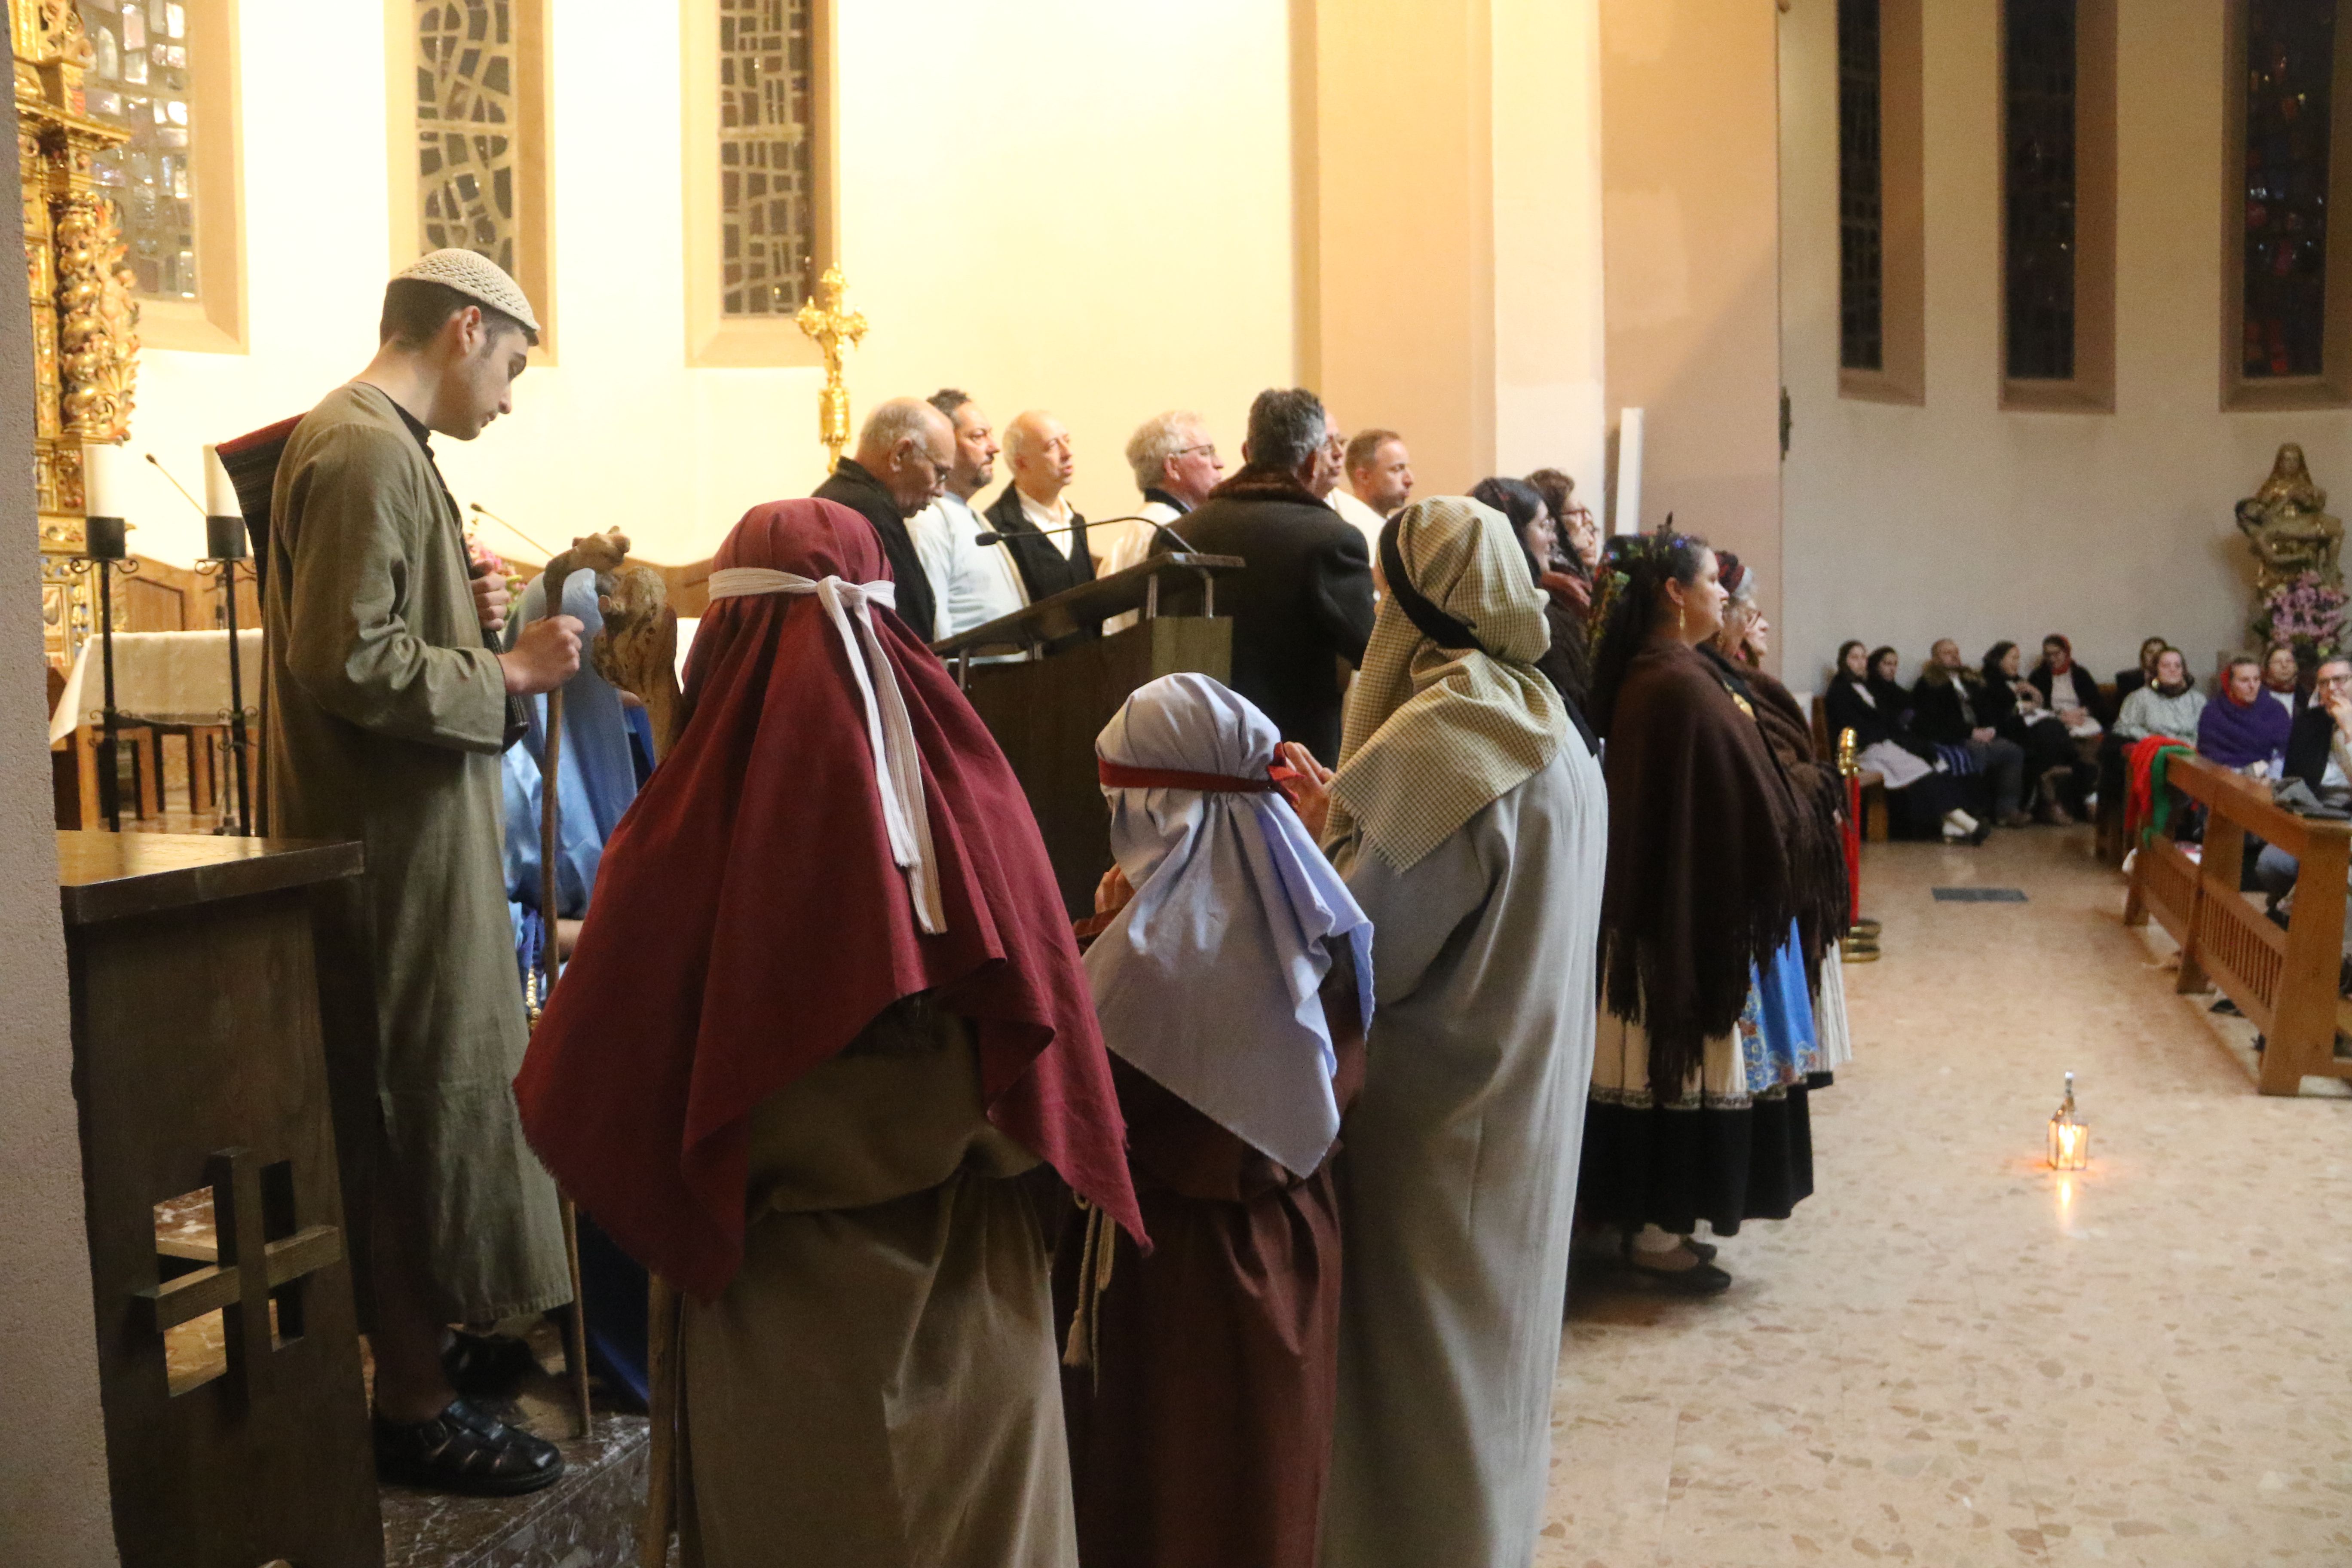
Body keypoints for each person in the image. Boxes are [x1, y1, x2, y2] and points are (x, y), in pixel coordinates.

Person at [514, 498, 1142, 1568]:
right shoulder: (978, 796)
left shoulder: (681, 837)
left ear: (725, 633)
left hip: (787, 1311)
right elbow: (1053, 1060)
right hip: (974, 1291)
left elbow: (586, 1088)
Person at [263, 248, 576, 1492]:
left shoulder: (386, 448)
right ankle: (413, 1400)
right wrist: (505, 673)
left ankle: (434, 1344)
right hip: (384, 848)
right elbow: (343, 659)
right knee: (405, 1104)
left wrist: (474, 615)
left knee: (444, 1085)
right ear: (463, 329)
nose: (506, 398)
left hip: (413, 833)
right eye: (508, 366)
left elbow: (387, 633)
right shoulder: (365, 449)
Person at [1275, 495, 1601, 1568]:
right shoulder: (1549, 724)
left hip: (1433, 1128)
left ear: (1410, 604)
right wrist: (1345, 811)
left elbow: (1362, 949)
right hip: (1521, 1104)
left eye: (1381, 596)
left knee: (1426, 1393)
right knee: (1495, 1369)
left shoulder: (1445, 740)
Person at [1056, 673, 1374, 1568]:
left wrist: (1101, 944)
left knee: (1171, 1507)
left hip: (1178, 1282)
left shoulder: (1146, 969)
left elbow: (1087, 1095)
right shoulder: (1320, 918)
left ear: (1159, 807)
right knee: (1267, 1499)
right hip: (1294, 1252)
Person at [1581, 528, 1820, 1295]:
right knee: (1669, 1075)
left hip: (1669, 911)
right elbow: (1741, 795)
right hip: (1674, 922)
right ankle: (1654, 1235)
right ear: (1674, 594)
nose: (1724, 594)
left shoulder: (1673, 670)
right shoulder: (1676, 683)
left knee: (1667, 1075)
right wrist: (1803, 800)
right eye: (1712, 582)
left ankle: (1658, 1228)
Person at [1150, 388, 1376, 765]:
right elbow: (1372, 650)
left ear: (1246, 453)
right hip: (1289, 765)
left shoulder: (1177, 536)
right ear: (1311, 461)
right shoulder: (1331, 538)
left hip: (1192, 758)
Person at [1707, 561, 1855, 1073]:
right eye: (1754, 615)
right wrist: (1816, 784)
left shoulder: (1750, 684)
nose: (1764, 624)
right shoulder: (1723, 687)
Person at [814, 397, 954, 640]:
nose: (941, 491)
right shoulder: (868, 513)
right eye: (939, 473)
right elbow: (904, 629)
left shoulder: (839, 498)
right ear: (900, 455)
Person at [1822, 640, 1982, 842]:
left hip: (1880, 744)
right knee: (1917, 768)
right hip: (1862, 749)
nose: (1861, 663)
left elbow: (1887, 719)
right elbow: (1852, 728)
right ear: (1843, 662)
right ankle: (1959, 821)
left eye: (1864, 657)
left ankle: (1951, 822)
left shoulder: (1866, 688)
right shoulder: (1840, 691)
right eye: (1854, 658)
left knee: (1929, 761)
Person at [909, 389, 1029, 640]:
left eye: (990, 435)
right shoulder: (929, 518)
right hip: (968, 675)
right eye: (978, 436)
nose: (994, 448)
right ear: (942, 442)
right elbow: (935, 623)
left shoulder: (971, 514)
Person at [1468, 474, 1587, 707]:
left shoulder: (1466, 603)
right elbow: (1574, 704)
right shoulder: (1534, 617)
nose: (1553, 538)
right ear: (1514, 533)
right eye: (1544, 526)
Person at [1910, 638, 2031, 827]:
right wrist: (1971, 732)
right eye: (1947, 653)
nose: (1954, 656)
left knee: (2013, 752)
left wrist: (1990, 727)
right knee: (1978, 751)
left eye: (1956, 652)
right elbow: (1936, 721)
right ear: (1935, 659)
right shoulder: (1928, 685)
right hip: (1956, 737)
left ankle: (2007, 811)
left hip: (1981, 732)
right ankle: (1976, 810)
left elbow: (1987, 707)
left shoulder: (1971, 680)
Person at [984, 410, 1097, 606]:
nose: (1068, 453)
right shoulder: (996, 529)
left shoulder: (1075, 521)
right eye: (1052, 446)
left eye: (1067, 441)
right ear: (1022, 462)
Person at [1097, 410, 1225, 577]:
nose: (1219, 463)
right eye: (1206, 453)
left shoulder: (1125, 544)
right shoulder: (1172, 532)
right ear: (1172, 467)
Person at [1981, 640, 2089, 823]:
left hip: (2028, 725)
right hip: (2007, 727)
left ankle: (2055, 789)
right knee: (2050, 728)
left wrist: (2035, 694)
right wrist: (2024, 706)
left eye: (2018, 659)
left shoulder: (2019, 680)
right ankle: (2058, 785)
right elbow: (1999, 710)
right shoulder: (1989, 680)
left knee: (2052, 727)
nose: (2017, 663)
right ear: (1999, 660)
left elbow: (2037, 705)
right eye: (2013, 659)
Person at [2199, 654, 2292, 772]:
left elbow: (2286, 751)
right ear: (2230, 683)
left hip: (2268, 774)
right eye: (2245, 680)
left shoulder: (2276, 710)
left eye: (2257, 680)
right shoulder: (2213, 712)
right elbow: (2208, 753)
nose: (2252, 686)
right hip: (2224, 775)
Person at [1329, 428, 1412, 550]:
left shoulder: (1394, 531)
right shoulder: (1348, 531)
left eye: (1407, 468)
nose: (1409, 480)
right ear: (1364, 476)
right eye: (1397, 469)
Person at [2113, 646, 2205, 744]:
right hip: (2152, 751)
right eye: (2166, 666)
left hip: (2190, 754)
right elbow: (2122, 728)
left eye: (2178, 666)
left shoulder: (2197, 700)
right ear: (2156, 671)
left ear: (2184, 671)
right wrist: (2153, 739)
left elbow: (2205, 733)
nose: (2173, 670)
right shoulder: (2141, 697)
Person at [2030, 634, 2107, 731]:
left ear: (2066, 652)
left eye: (2056, 654)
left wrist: (2080, 712)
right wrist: (2060, 716)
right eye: (2048, 655)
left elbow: (2097, 704)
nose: (2052, 659)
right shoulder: (2038, 676)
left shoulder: (2080, 674)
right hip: (2053, 720)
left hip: (2080, 718)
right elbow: (2034, 709)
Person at [2114, 636, 2170, 702]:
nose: (2155, 656)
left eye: (2160, 652)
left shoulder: (2175, 678)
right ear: (2143, 656)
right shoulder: (2127, 679)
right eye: (2150, 652)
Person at [2261, 640, 2304, 719]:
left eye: (2289, 661)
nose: (2284, 666)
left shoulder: (2304, 695)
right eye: (2278, 662)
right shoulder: (2259, 695)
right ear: (2267, 667)